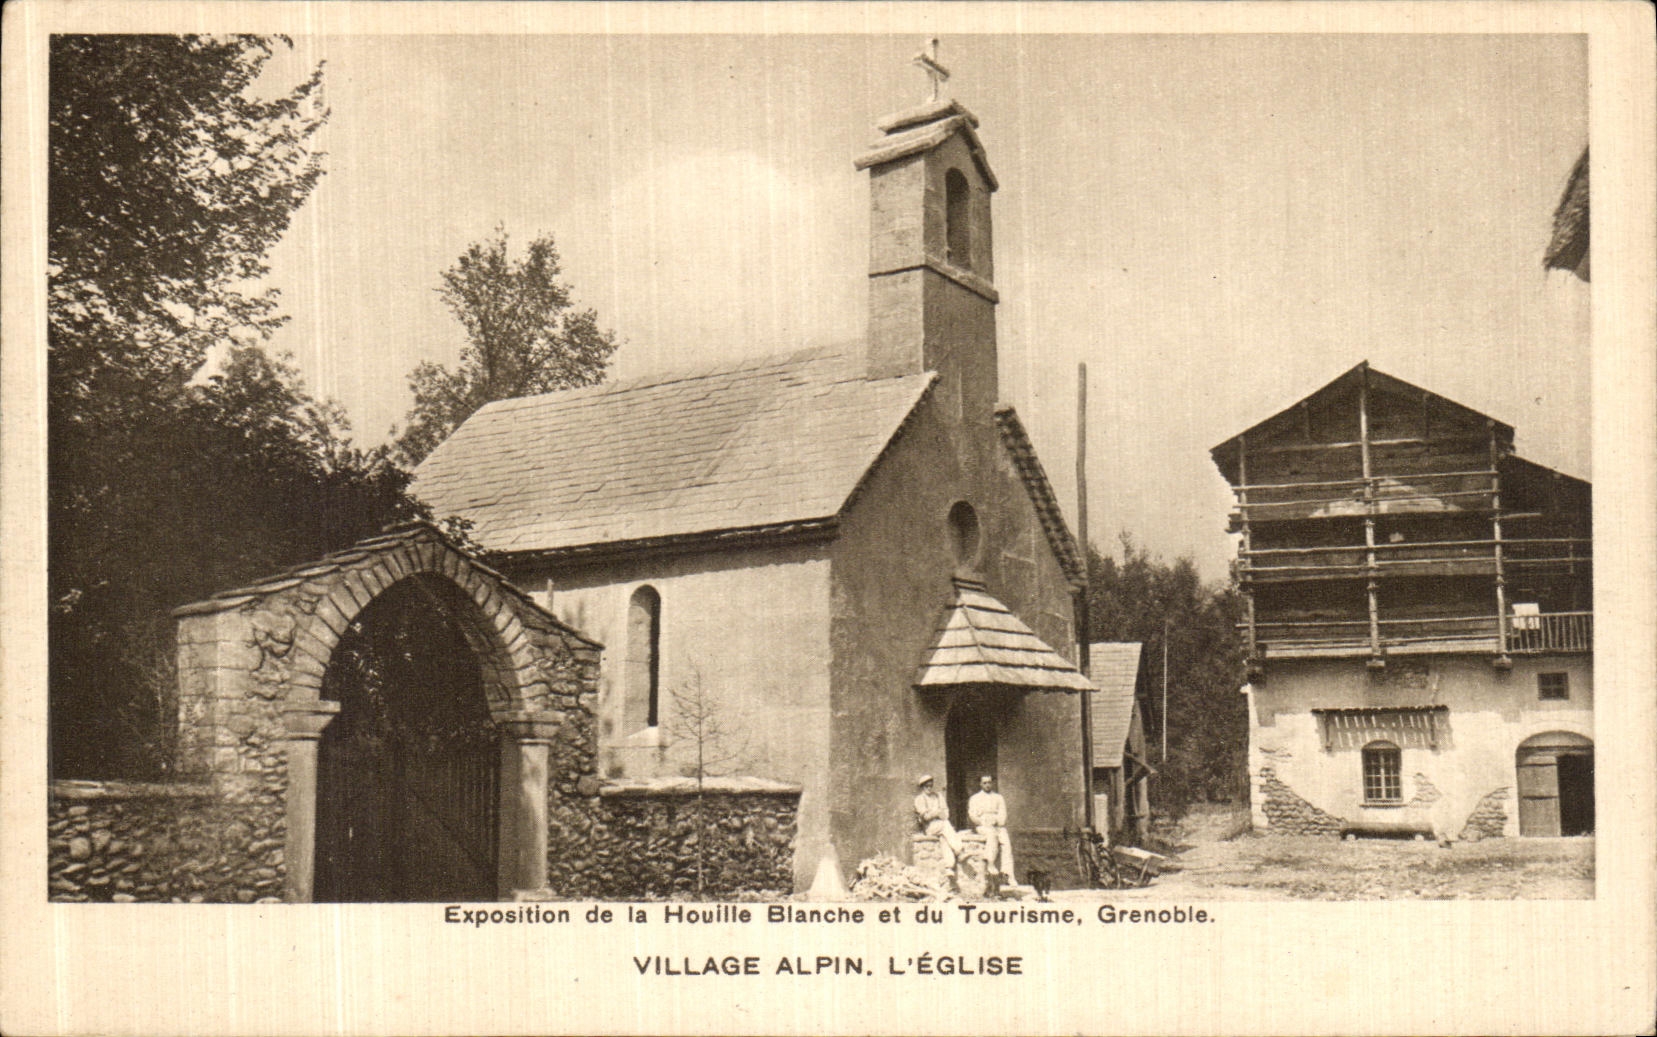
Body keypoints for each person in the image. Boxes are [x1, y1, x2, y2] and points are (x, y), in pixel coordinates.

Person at [968, 774, 1015, 896]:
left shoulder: (998, 798)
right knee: (991, 835)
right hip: (983, 826)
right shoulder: (975, 798)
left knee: (1006, 841)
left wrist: (997, 821)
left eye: (989, 782)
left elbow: (1003, 814)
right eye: (984, 783)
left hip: (996, 824)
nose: (987, 785)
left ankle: (1007, 873)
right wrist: (984, 822)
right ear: (980, 784)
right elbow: (972, 815)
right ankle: (990, 863)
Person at [913, 775, 964, 873]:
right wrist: (937, 813)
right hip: (929, 827)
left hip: (940, 825)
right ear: (922, 787)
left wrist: (935, 813)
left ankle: (949, 867)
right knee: (945, 825)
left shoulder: (938, 796)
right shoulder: (919, 799)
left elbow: (946, 814)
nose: (929, 788)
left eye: (930, 786)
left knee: (944, 838)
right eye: (926, 786)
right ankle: (959, 851)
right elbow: (926, 817)